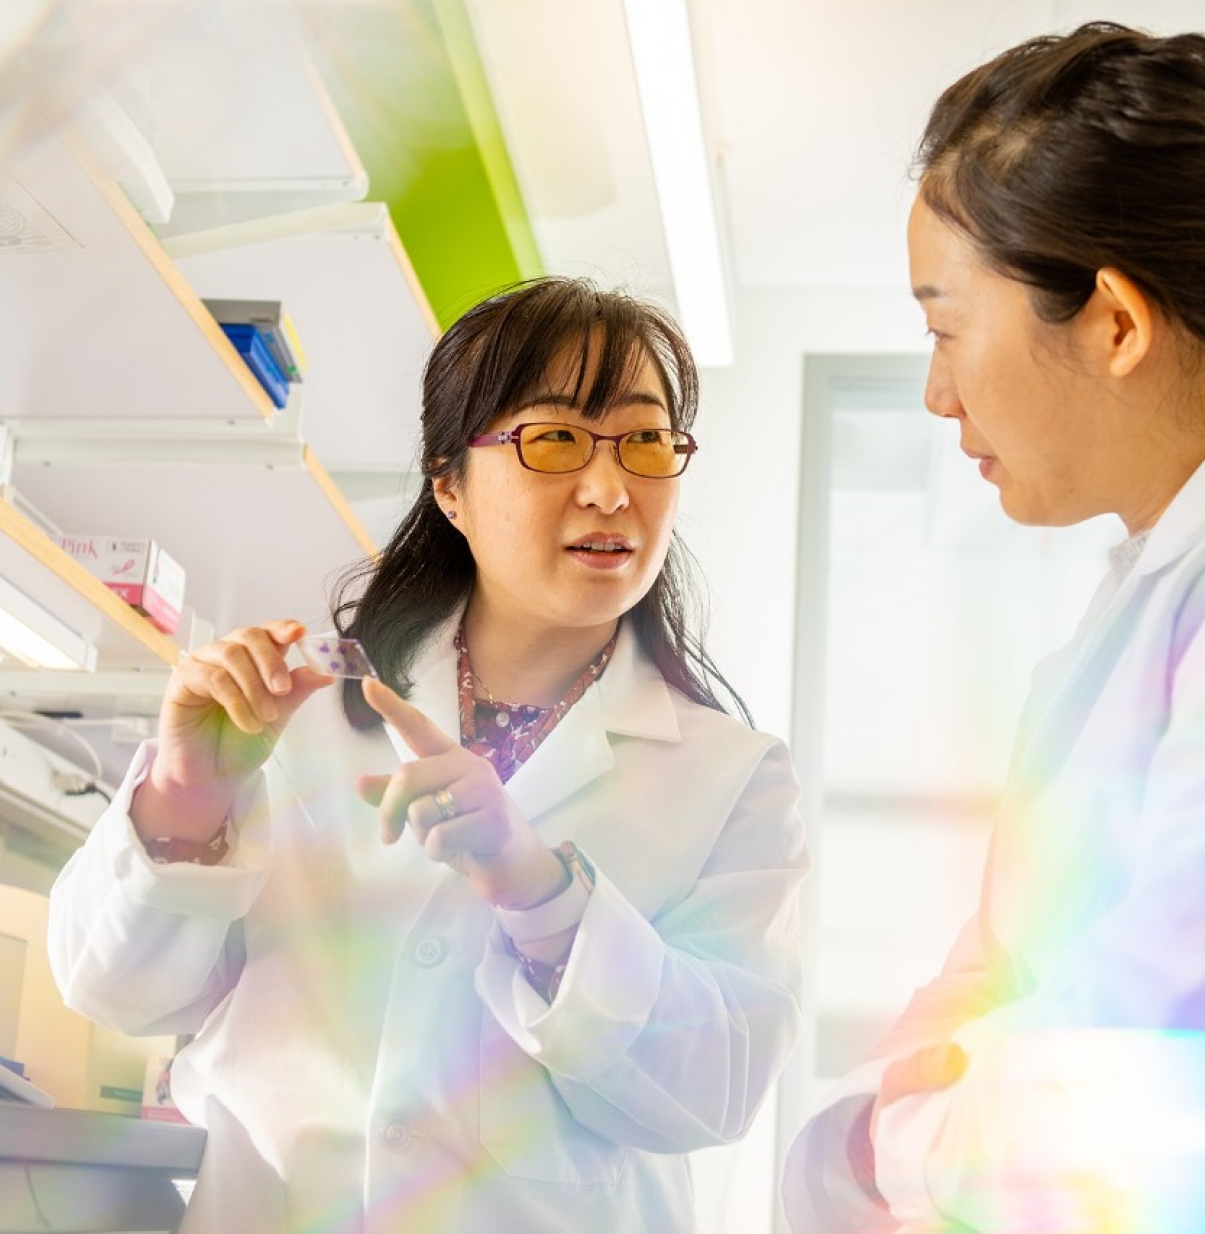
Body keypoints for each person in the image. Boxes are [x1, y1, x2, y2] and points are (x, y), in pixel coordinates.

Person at [783, 22, 1205, 1234]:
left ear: (1114, 325)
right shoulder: (1165, 591)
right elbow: (1008, 970)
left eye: (945, 328)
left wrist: (883, 1145)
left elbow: (1184, 1060)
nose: (937, 392)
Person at [49, 277, 808, 1233]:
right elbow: (111, 992)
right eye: (555, 438)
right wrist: (185, 797)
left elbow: (715, 1090)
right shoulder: (302, 707)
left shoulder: (732, 776)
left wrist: (541, 893)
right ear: (450, 486)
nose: (611, 489)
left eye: (646, 441)